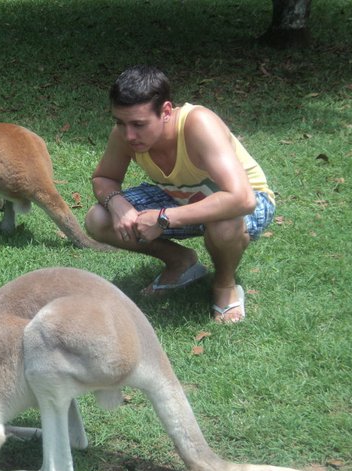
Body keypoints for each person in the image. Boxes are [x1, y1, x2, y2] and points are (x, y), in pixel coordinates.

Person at [85, 65, 275, 323]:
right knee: (99, 219)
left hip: (244, 201)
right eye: (120, 122)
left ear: (165, 111)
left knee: (224, 222)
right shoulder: (125, 134)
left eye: (139, 124)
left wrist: (163, 218)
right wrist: (118, 205)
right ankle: (181, 262)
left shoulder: (198, 124)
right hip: (179, 197)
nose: (129, 135)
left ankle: (224, 285)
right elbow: (104, 178)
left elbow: (242, 199)